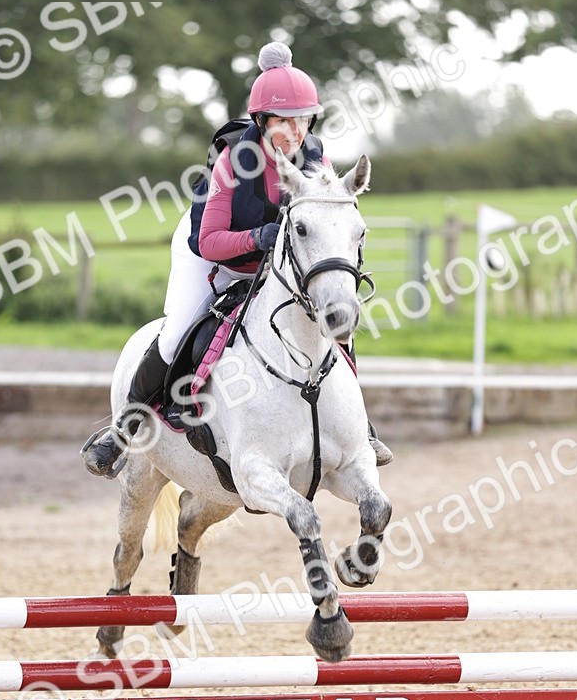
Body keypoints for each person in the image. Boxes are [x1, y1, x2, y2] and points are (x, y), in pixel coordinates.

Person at [83, 41, 392, 477]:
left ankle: (360, 428)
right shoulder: (232, 162)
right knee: (176, 334)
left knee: (334, 321)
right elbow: (209, 240)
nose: (296, 130)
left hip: (271, 262)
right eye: (285, 120)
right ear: (262, 122)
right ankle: (123, 432)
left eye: (303, 119)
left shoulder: (314, 158)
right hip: (211, 256)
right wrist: (260, 236)